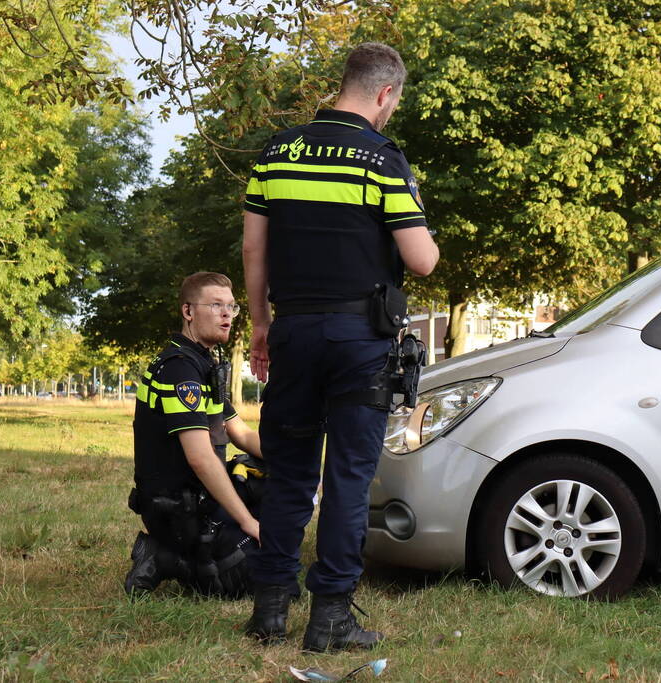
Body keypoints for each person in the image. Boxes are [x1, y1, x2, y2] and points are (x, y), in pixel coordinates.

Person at [241, 42, 439, 652]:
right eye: (395, 102)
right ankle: (329, 618)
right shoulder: (381, 160)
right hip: (360, 338)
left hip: (294, 331)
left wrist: (259, 324)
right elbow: (422, 261)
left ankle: (270, 609)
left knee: (289, 472)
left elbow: (254, 250)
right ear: (384, 94)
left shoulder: (278, 153)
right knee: (349, 477)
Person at [124, 271, 266, 598]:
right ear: (188, 312)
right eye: (216, 305)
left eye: (231, 307)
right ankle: (164, 557)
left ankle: (203, 549)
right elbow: (201, 458)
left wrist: (296, 462)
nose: (227, 314)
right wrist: (247, 521)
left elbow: (241, 434)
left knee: (273, 478)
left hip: (198, 498)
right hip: (176, 508)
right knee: (250, 579)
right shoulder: (179, 370)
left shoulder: (202, 364)